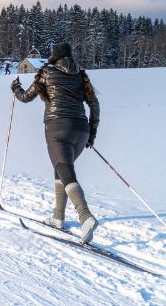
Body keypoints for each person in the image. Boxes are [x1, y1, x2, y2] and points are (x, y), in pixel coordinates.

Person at [10, 43, 102, 244]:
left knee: (65, 170)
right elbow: (94, 104)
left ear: (53, 57)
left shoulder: (46, 73)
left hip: (57, 128)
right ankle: (58, 217)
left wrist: (16, 88)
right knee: (61, 169)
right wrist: (92, 133)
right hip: (81, 129)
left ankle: (85, 216)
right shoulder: (81, 75)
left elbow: (26, 98)